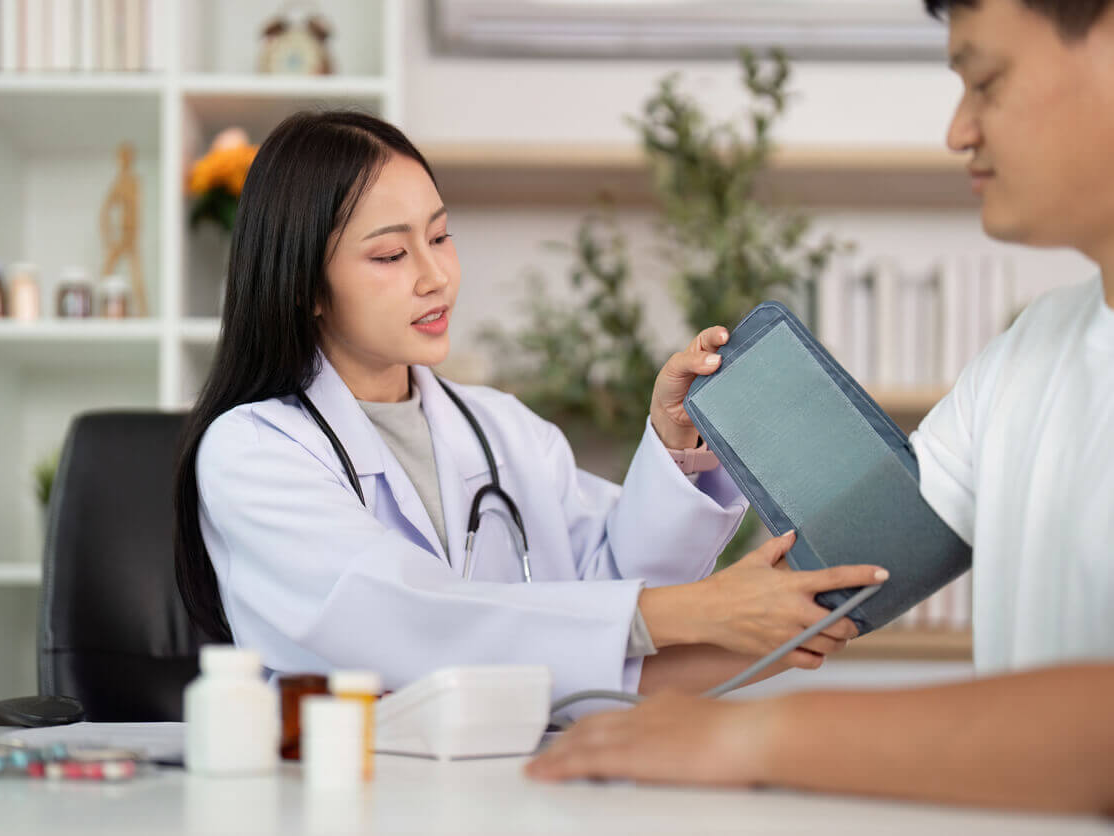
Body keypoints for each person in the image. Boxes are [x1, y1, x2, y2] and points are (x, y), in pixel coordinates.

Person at [528, 0, 1114, 814]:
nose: (958, 131)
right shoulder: (1032, 353)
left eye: (986, 81)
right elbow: (847, 582)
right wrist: (571, 699)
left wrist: (754, 739)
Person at [172, 110, 887, 704]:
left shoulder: (503, 432)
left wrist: (676, 448)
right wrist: (702, 614)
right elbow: (403, 623)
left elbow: (616, 602)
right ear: (307, 286)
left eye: (442, 236)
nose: (435, 276)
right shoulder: (252, 451)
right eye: (391, 256)